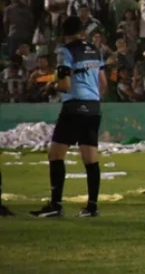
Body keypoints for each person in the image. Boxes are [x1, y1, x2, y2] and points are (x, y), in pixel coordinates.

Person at [30, 16, 107, 218]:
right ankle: (92, 206)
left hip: (74, 105)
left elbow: (64, 85)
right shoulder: (94, 50)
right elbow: (103, 84)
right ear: (82, 31)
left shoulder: (65, 51)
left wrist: (51, 87)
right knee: (91, 158)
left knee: (55, 155)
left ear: (64, 34)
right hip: (93, 105)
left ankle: (56, 205)